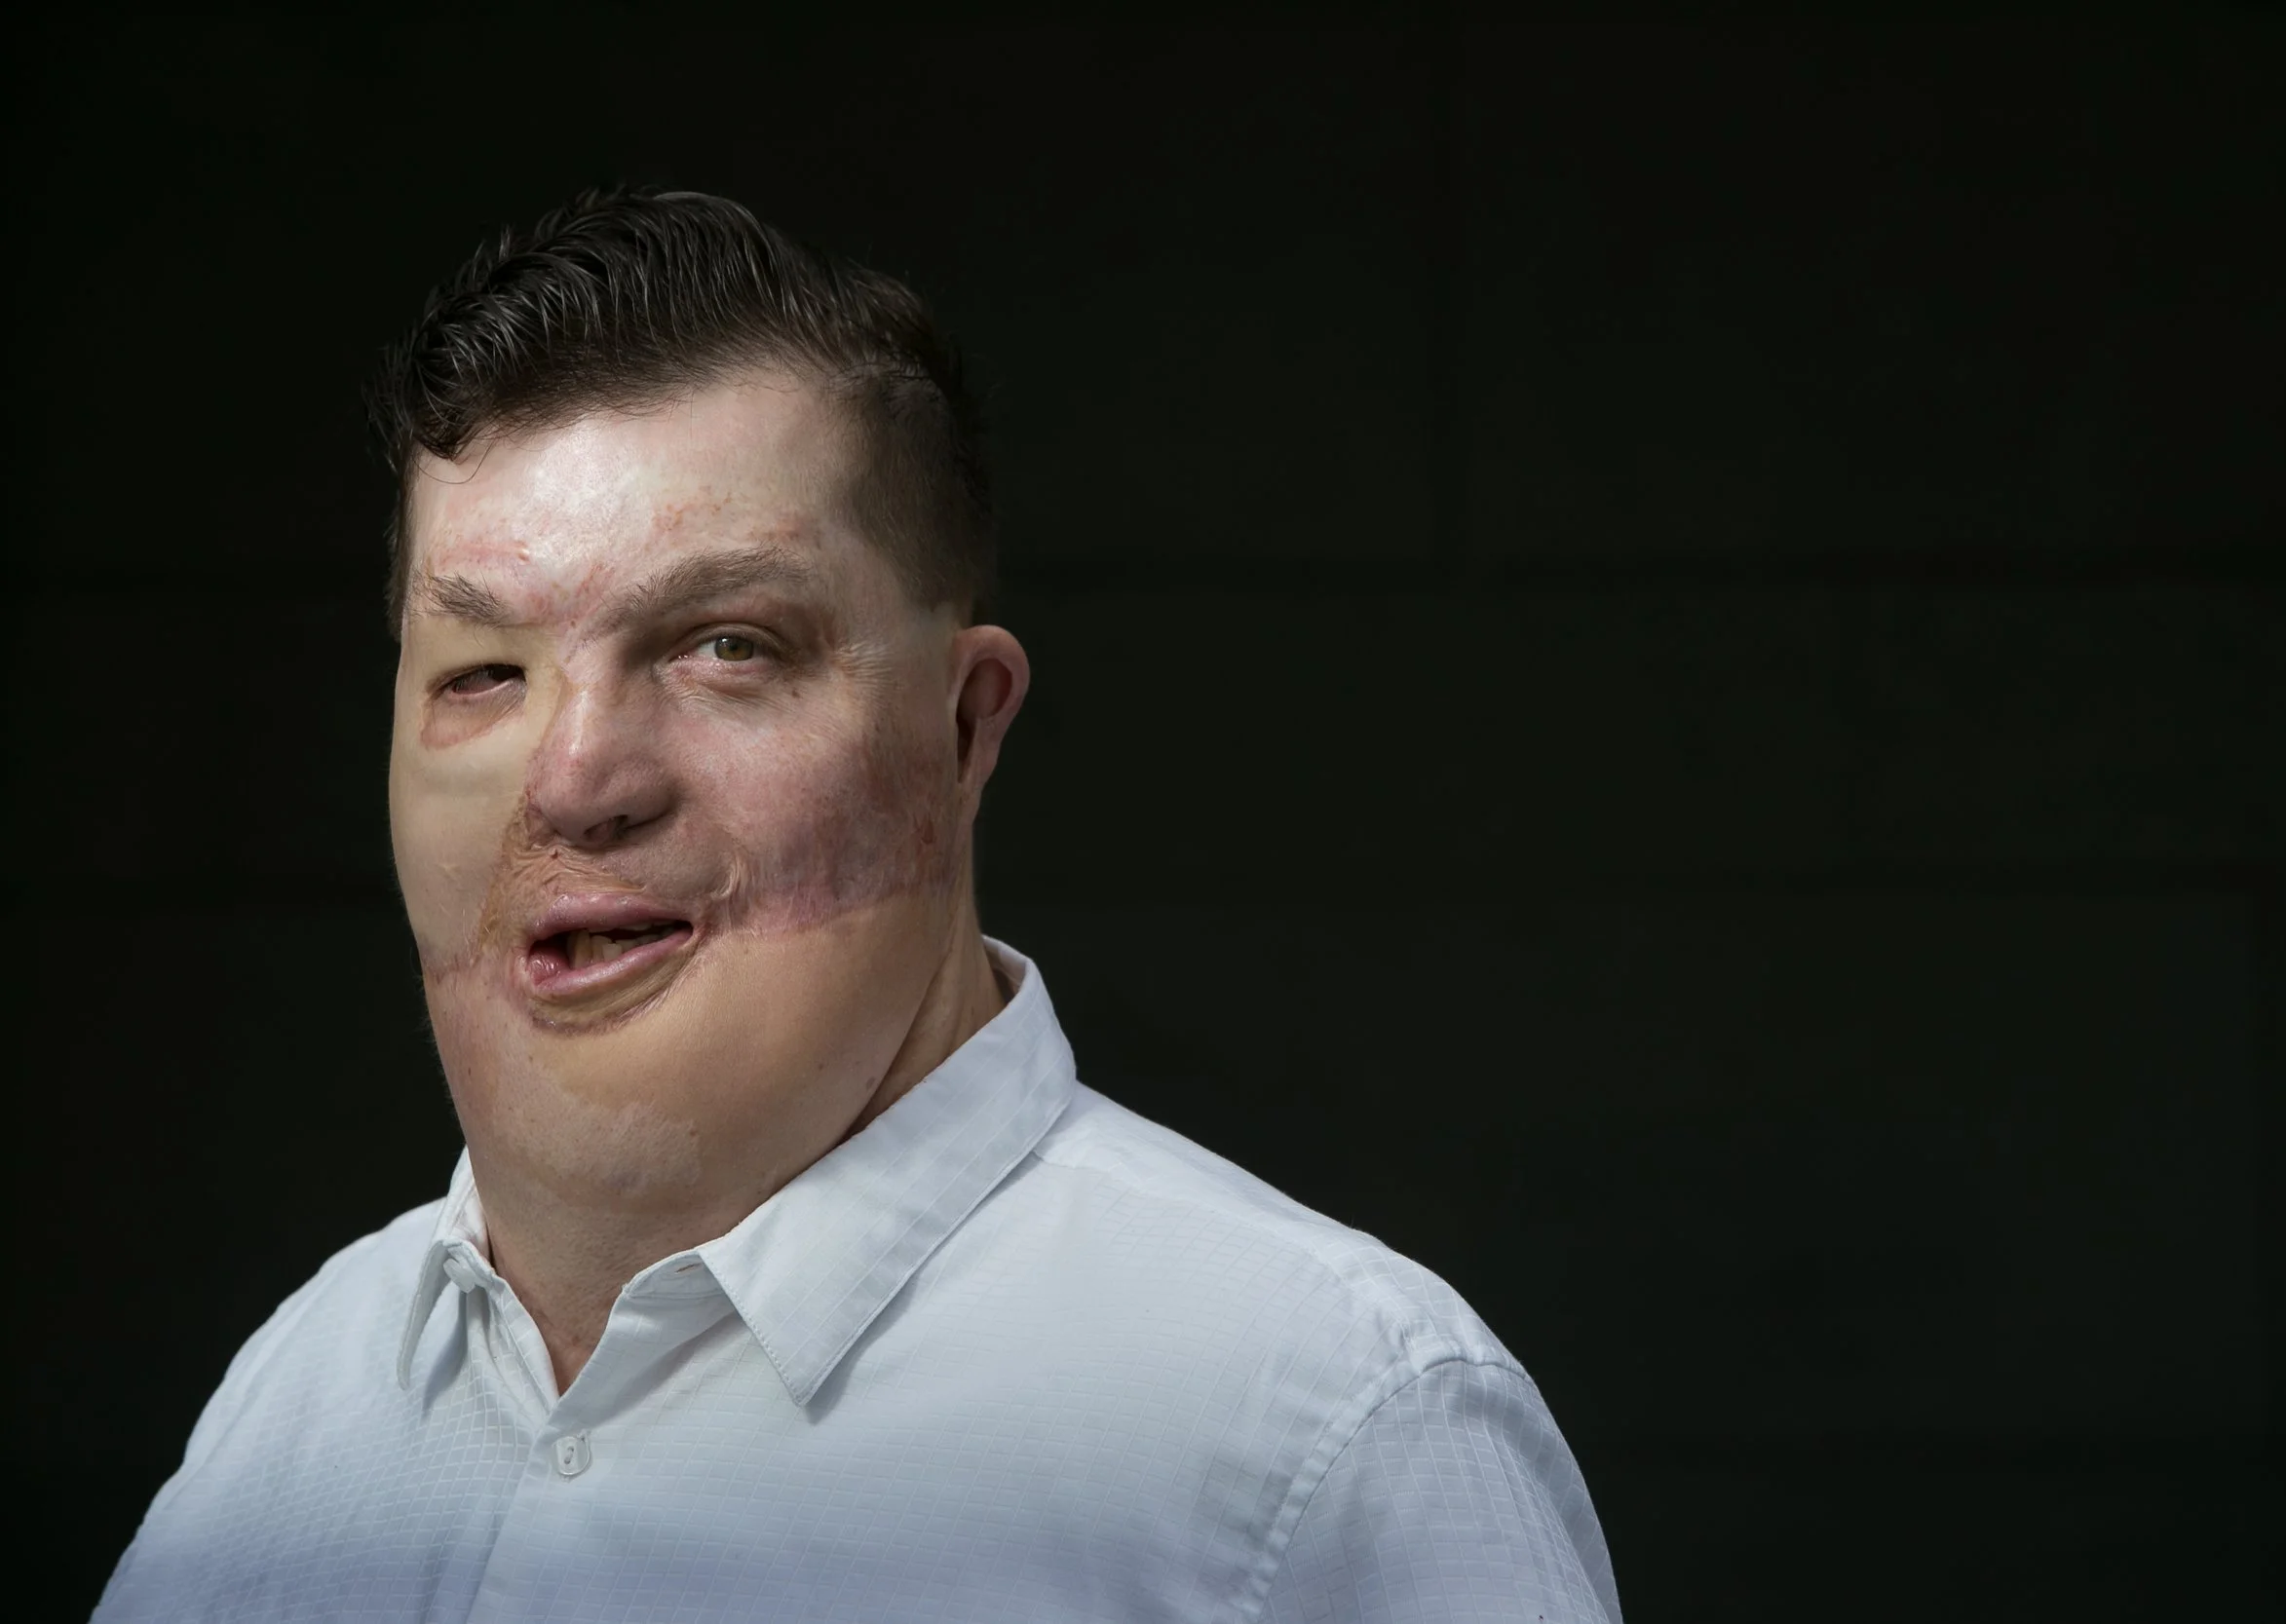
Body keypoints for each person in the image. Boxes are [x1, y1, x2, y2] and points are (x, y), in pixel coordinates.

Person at [95, 187, 1621, 1623]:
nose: (571, 779)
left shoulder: (1328, 1433)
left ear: (966, 731)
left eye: (725, 647)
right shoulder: (295, 1401)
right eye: (482, 674)